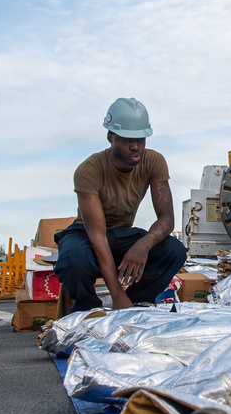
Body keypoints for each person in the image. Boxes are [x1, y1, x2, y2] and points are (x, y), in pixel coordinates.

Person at [53, 97, 187, 313]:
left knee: (174, 250)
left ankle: (132, 306)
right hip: (87, 234)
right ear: (110, 137)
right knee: (73, 259)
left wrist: (142, 246)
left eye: (141, 139)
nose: (135, 146)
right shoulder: (88, 171)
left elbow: (166, 220)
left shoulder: (154, 162)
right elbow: (97, 235)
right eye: (126, 140)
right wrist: (116, 292)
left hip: (121, 236)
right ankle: (88, 312)